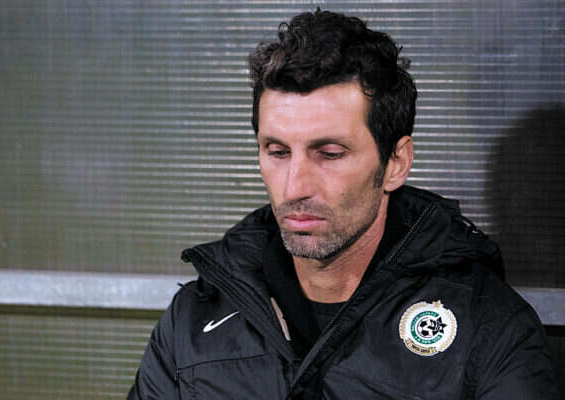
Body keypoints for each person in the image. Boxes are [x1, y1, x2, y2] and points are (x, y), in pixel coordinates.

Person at [128, 9, 558, 399]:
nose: (295, 186)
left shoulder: (488, 329)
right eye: (277, 152)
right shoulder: (192, 323)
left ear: (396, 163)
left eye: (329, 154)